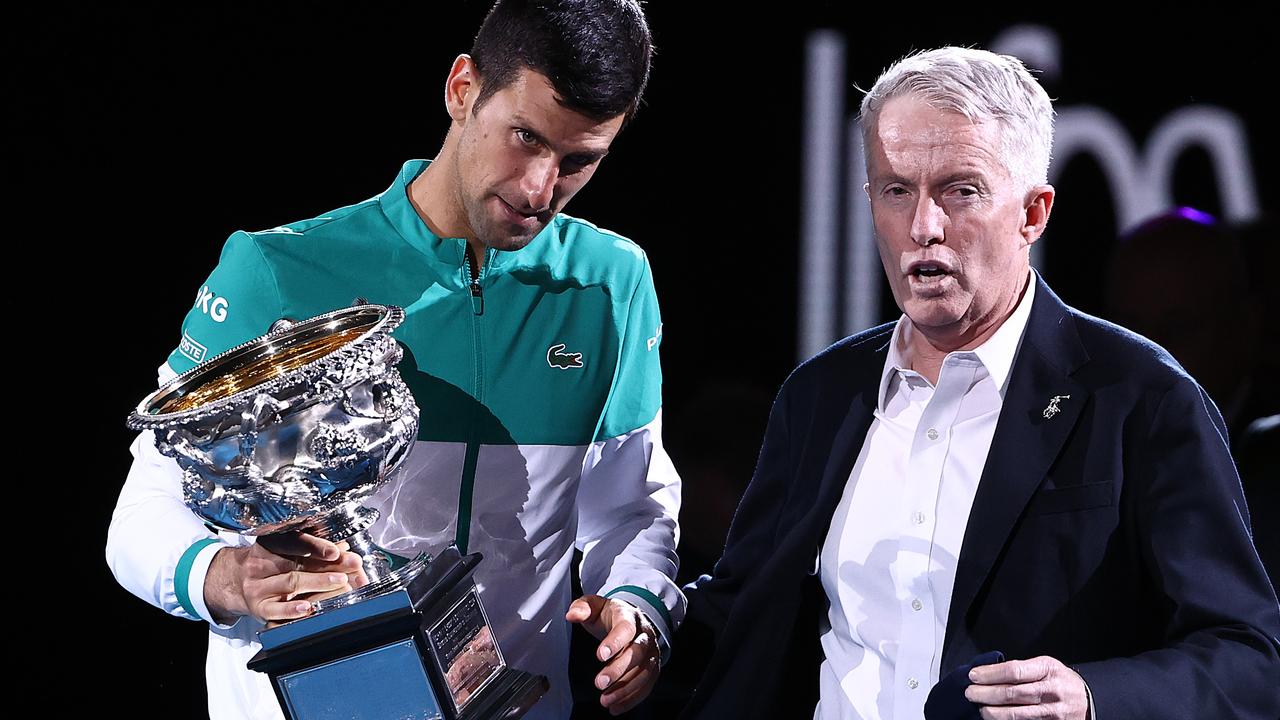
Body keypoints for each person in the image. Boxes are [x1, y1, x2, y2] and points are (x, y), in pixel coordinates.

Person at [106, 2, 682, 718]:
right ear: (462, 88)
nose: (540, 189)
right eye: (526, 138)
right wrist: (223, 575)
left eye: (579, 160)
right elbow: (143, 512)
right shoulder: (275, 269)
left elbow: (630, 509)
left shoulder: (612, 283)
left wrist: (639, 607)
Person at [669, 47, 1280, 719]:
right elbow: (746, 611)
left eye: (960, 190)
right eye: (896, 190)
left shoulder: (1141, 398)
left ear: (1033, 213)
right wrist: (639, 623)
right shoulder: (822, 392)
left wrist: (1091, 696)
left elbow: (1248, 658)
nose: (923, 228)